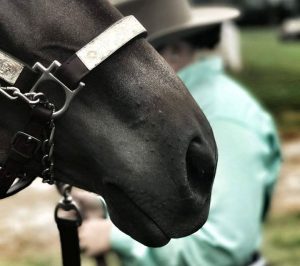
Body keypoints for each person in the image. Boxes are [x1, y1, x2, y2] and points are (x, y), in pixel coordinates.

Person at [78, 0, 282, 265]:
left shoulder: (222, 116)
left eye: (126, 63)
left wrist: (114, 237)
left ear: (174, 51)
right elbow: (180, 205)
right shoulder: (186, 112)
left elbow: (223, 249)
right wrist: (104, 205)